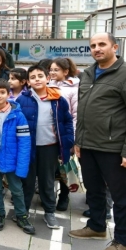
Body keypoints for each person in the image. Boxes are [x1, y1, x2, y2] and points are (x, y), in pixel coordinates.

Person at [69, 32, 126, 250]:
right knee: (94, 190)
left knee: (120, 195)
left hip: (114, 149)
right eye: (93, 45)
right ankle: (96, 226)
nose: (97, 48)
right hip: (88, 145)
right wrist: (79, 142)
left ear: (115, 47)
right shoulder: (88, 73)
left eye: (102, 44)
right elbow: (83, 112)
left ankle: (123, 242)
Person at [16, 64, 74, 229]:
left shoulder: (58, 100)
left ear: (48, 78)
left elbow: (67, 122)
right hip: (28, 147)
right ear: (28, 81)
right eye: (33, 77)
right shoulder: (22, 99)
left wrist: (68, 141)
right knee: (26, 181)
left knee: (47, 180)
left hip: (49, 147)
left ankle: (50, 212)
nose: (37, 79)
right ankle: (23, 211)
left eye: (40, 76)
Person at [0, 78, 35, 235]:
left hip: (12, 159)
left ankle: (22, 216)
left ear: (8, 94)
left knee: (16, 189)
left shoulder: (18, 115)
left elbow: (24, 142)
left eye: (2, 92)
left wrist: (22, 164)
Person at [49, 57, 80, 212]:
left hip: (65, 135)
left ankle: (64, 196)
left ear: (66, 72)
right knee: (50, 168)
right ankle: (49, 196)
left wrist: (72, 138)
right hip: (49, 135)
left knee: (64, 167)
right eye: (51, 69)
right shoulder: (47, 86)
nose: (52, 72)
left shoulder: (73, 88)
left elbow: (75, 115)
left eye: (56, 70)